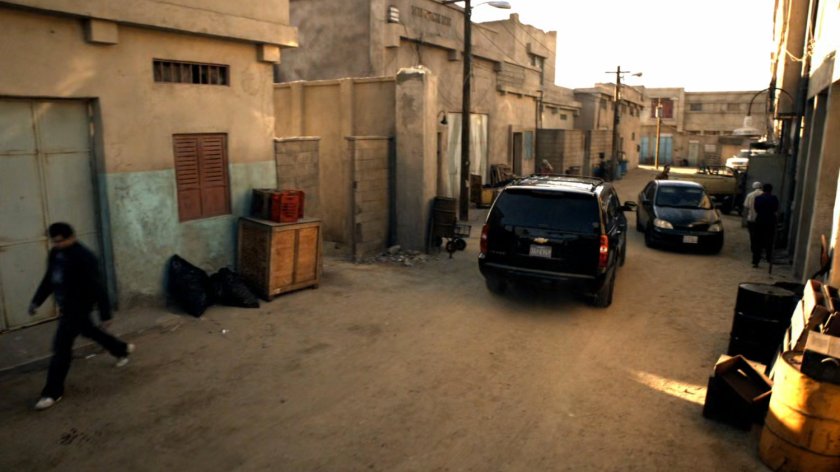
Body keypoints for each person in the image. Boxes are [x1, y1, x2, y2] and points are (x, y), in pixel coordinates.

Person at [28, 222, 134, 411]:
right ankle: (122, 349)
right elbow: (49, 279)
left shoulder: (84, 257)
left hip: (78, 308)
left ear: (71, 237)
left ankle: (52, 392)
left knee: (61, 349)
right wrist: (37, 301)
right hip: (66, 307)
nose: (56, 244)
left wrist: (105, 314)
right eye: (54, 241)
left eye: (60, 241)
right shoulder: (55, 254)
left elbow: (98, 287)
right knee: (90, 331)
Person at [752, 183, 779, 268]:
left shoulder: (758, 198)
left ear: (763, 189)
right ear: (771, 190)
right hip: (770, 221)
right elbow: (776, 209)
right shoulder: (774, 199)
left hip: (760, 220)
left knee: (758, 241)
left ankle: (756, 261)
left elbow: (756, 209)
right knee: (769, 241)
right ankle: (769, 258)